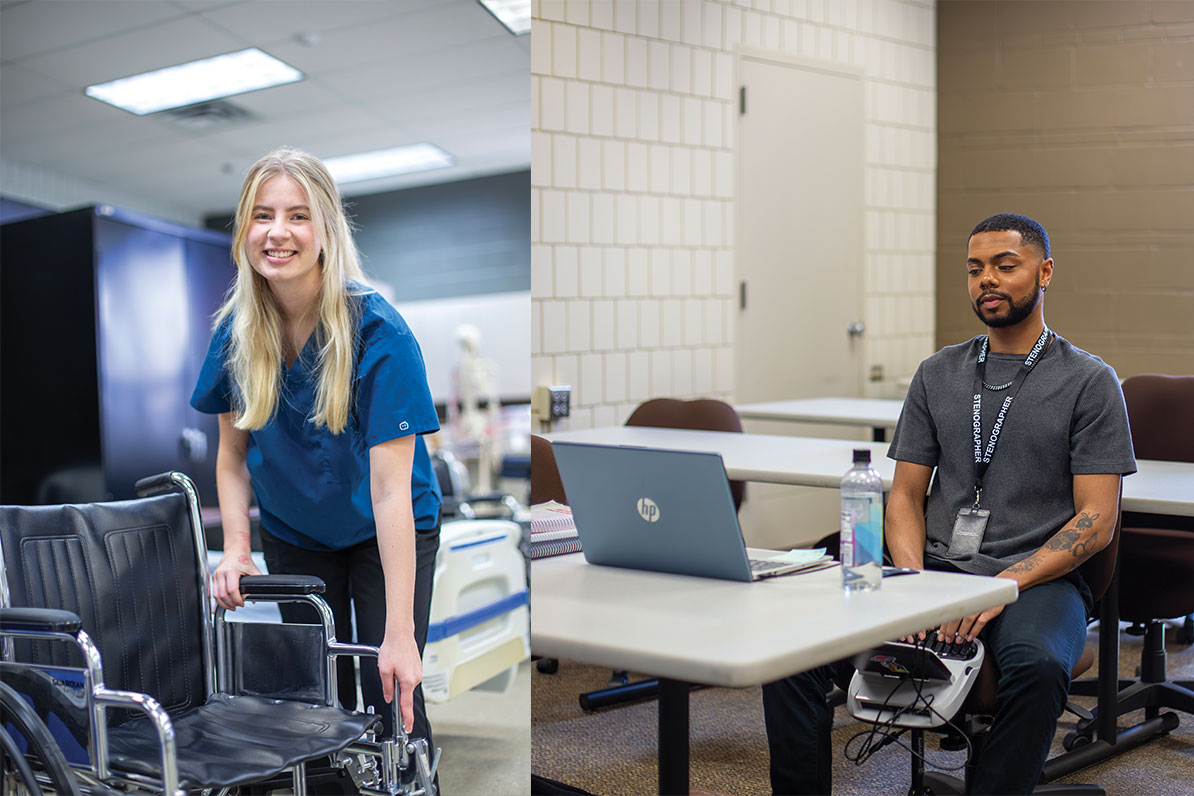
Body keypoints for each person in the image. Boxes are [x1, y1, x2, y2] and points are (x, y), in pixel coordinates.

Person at [761, 213, 1136, 795]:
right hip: (932, 569)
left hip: (1033, 581)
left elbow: (1097, 520)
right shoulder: (938, 373)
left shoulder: (1089, 381)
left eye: (1005, 266)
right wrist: (914, 588)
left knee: (1036, 669)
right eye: (975, 268)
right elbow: (906, 495)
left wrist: (999, 587)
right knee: (792, 647)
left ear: (1045, 272)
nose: (987, 279)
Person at [190, 147, 442, 758]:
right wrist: (240, 551)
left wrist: (402, 634)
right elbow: (231, 455)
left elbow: (389, 492)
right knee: (315, 699)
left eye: (298, 215)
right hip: (295, 530)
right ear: (244, 230)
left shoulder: (377, 332)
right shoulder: (235, 334)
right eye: (262, 215)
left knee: (390, 689)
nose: (278, 232)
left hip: (386, 529)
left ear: (326, 228)